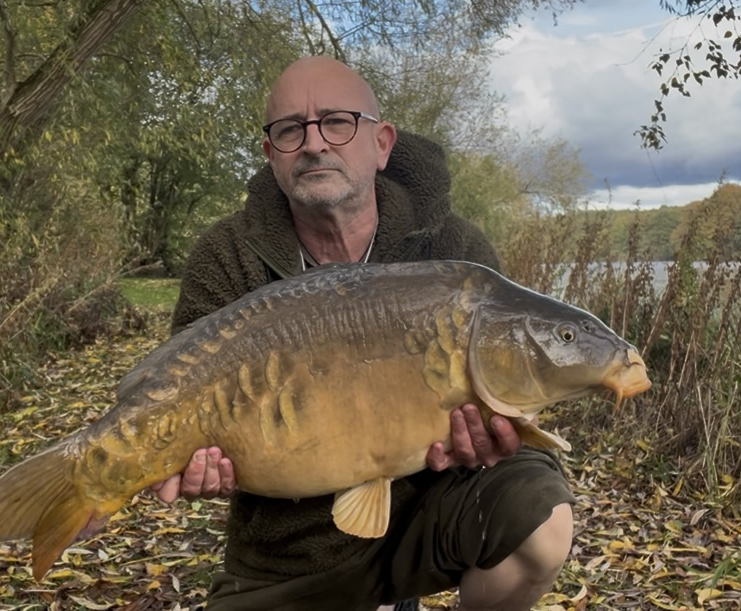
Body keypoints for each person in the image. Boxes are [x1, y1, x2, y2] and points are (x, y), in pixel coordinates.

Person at [151, 56, 575, 611]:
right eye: (290, 130)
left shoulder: (455, 252)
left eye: (337, 122)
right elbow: (177, 392)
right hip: (284, 546)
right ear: (270, 155)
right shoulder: (227, 254)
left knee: (541, 522)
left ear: (382, 143)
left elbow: (508, 387)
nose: (314, 144)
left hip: (427, 509)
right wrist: (195, 460)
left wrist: (494, 438)